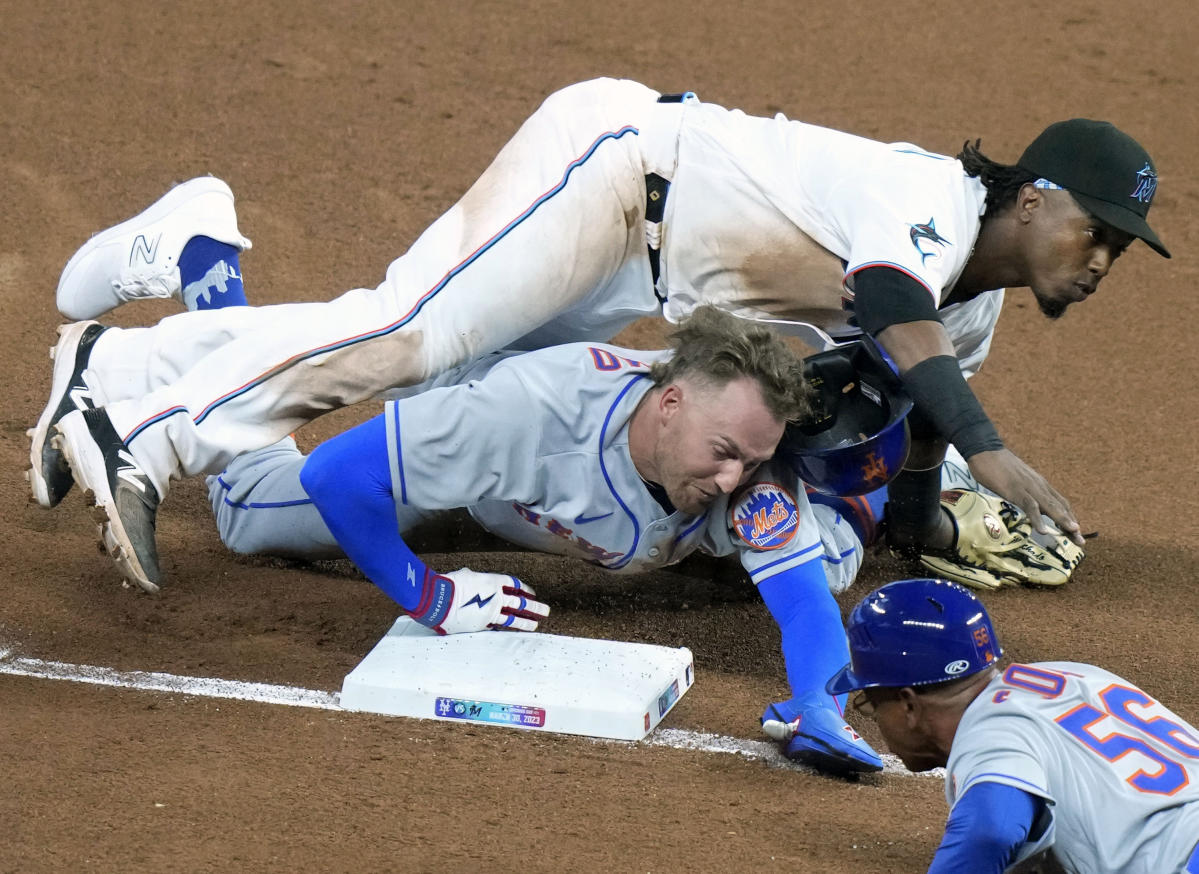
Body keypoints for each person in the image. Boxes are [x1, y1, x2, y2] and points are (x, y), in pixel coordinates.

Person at [30, 78, 1168, 594]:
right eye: (1096, 229)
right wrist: (996, 446)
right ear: (1031, 198)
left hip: (644, 263)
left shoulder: (966, 307)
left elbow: (917, 405)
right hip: (617, 176)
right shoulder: (926, 203)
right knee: (413, 335)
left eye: (1121, 245)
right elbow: (884, 308)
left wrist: (921, 526)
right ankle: (143, 434)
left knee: (444, 354)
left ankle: (177, 286)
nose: (1102, 257)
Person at [827, 578, 1199, 872]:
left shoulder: (989, 730)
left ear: (908, 704)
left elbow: (992, 830)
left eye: (872, 702)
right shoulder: (1073, 674)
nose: (876, 718)